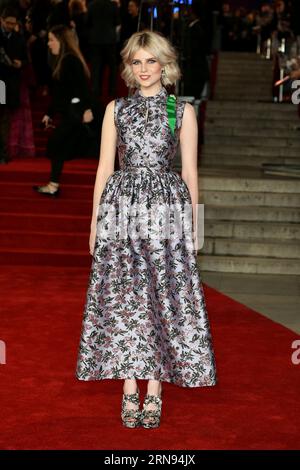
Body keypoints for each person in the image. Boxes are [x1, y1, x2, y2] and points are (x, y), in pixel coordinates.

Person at [76, 30, 217, 429]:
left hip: (166, 214)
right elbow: (105, 169)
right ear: (128, 66)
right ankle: (129, 389)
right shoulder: (116, 109)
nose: (143, 69)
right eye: (136, 62)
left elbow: (190, 173)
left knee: (160, 296)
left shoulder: (181, 110)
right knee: (126, 297)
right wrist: (94, 222)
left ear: (164, 64)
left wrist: (195, 226)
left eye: (150, 61)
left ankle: (154, 390)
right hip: (122, 211)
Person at [33, 24, 94, 196]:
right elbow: (60, 92)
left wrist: (86, 109)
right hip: (70, 112)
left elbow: (82, 88)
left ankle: (53, 186)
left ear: (61, 41)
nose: (48, 44)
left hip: (76, 112)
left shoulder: (69, 60)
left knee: (58, 143)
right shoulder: (63, 60)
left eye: (51, 40)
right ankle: (53, 185)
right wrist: (49, 114)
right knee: (58, 145)